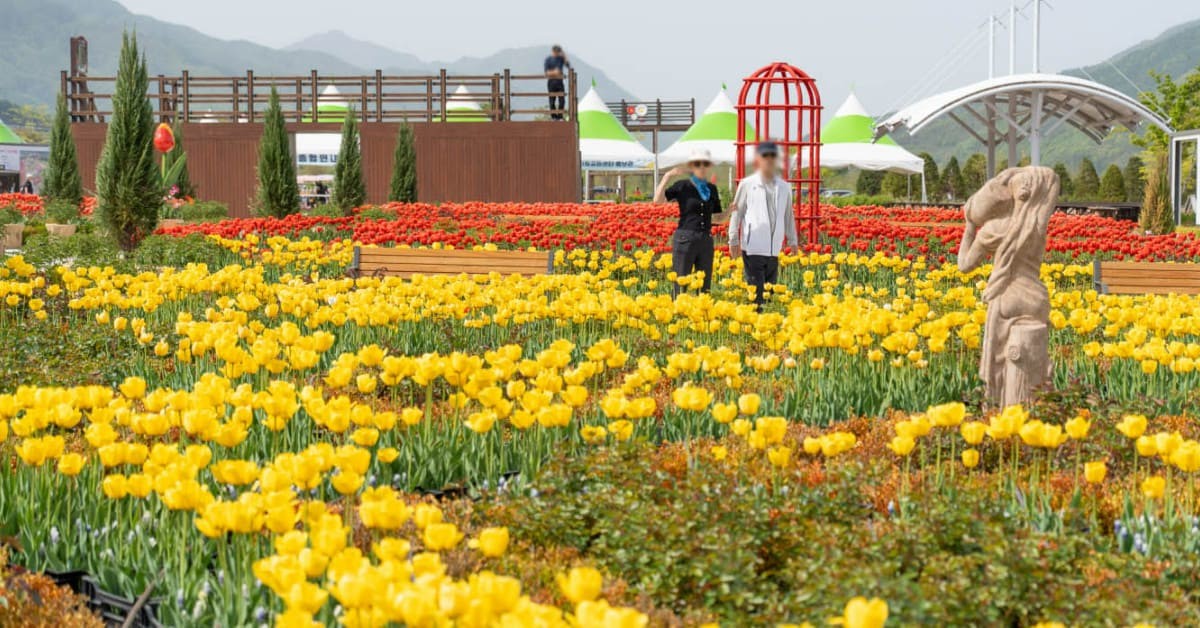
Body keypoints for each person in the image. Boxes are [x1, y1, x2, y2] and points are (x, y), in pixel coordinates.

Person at [728, 142, 798, 311]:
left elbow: (788, 215)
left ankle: (766, 322)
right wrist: (733, 239)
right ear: (758, 159)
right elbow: (737, 212)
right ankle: (755, 321)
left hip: (774, 249)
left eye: (772, 156)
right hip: (753, 247)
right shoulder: (747, 184)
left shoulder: (784, 187)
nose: (769, 159)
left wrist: (793, 240)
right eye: (765, 156)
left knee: (770, 293)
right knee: (756, 294)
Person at [655, 148, 722, 296]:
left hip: (706, 239)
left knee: (704, 286)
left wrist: (730, 210)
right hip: (685, 238)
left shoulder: (712, 189)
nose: (701, 167)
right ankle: (678, 309)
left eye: (705, 164)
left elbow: (717, 218)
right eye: (697, 164)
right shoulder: (683, 186)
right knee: (681, 283)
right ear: (692, 166)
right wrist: (667, 176)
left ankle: (702, 310)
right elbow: (657, 201)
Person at [544, 45, 570, 120]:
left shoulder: (560, 59)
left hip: (560, 82)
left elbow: (567, 65)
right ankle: (554, 117)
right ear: (553, 51)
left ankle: (560, 116)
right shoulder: (548, 60)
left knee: (562, 100)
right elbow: (546, 72)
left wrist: (563, 53)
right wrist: (555, 72)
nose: (557, 53)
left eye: (558, 51)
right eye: (556, 51)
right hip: (551, 82)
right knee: (552, 101)